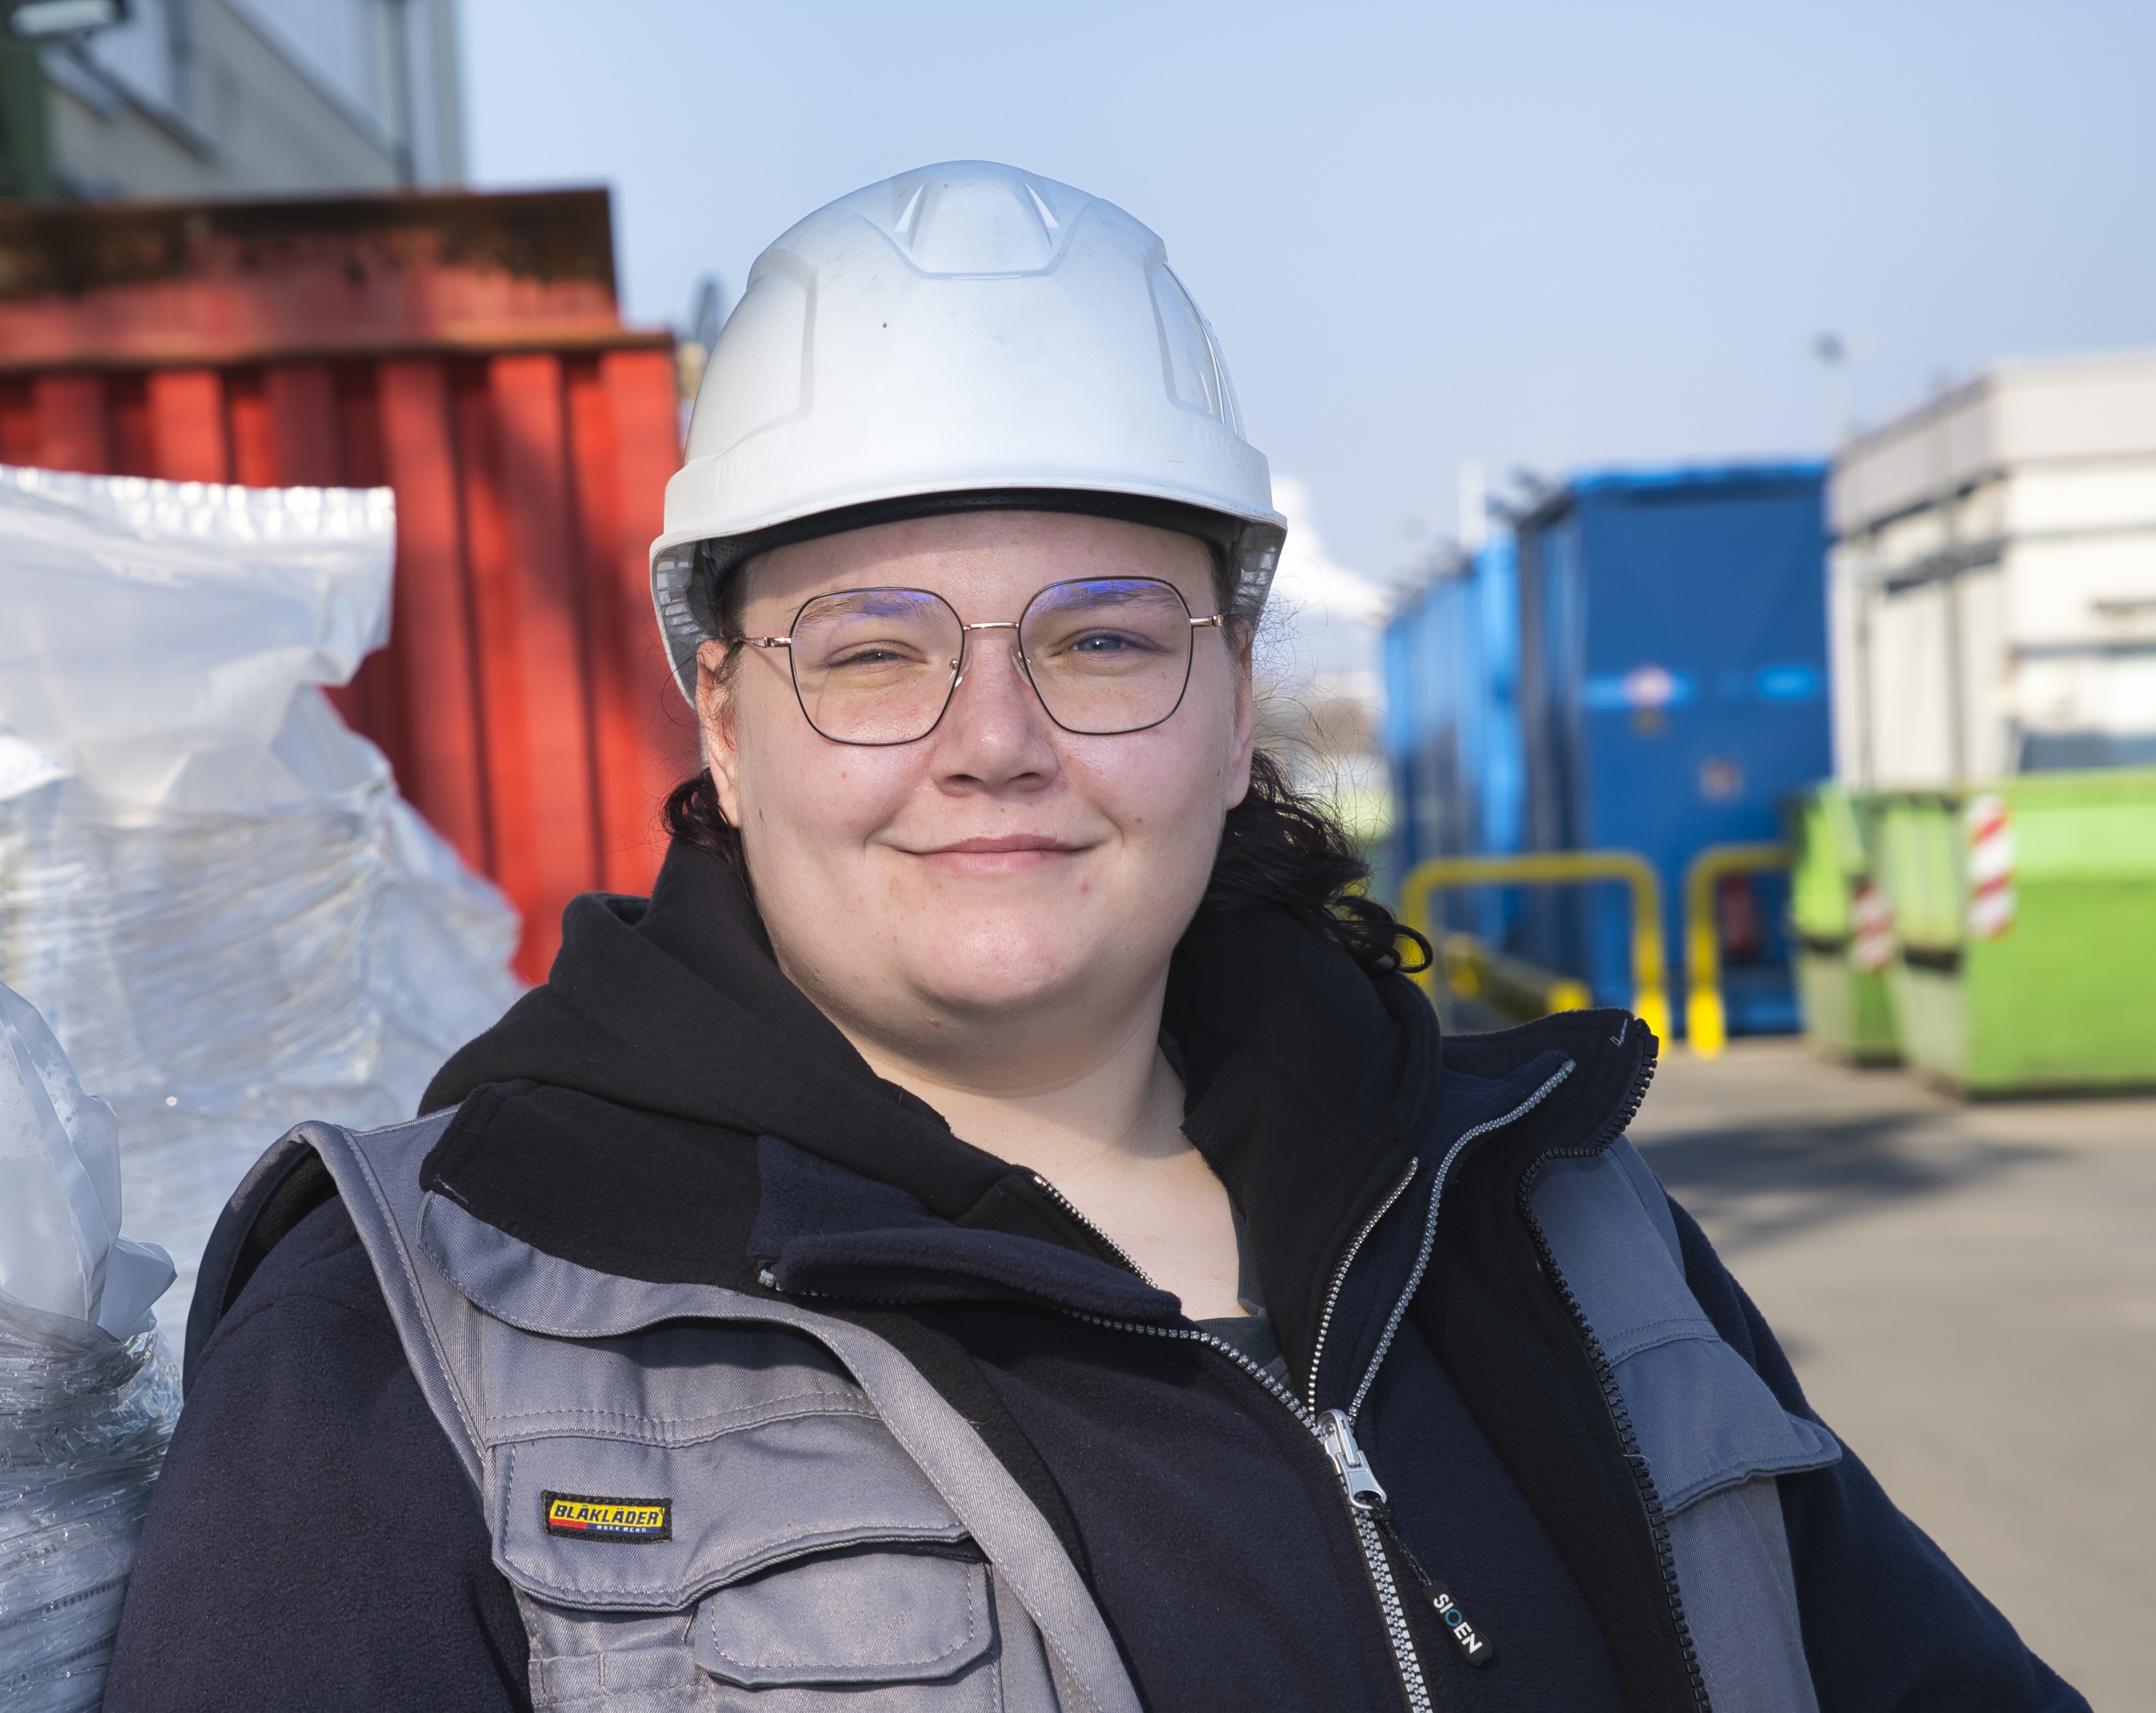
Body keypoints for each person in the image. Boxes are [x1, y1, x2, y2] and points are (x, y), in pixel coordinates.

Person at [103, 162, 2082, 1713]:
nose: (995, 743)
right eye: (872, 652)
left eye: (1104, 641)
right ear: (723, 717)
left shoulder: (1557, 1221)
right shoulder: (428, 1341)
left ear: (1236, 705)